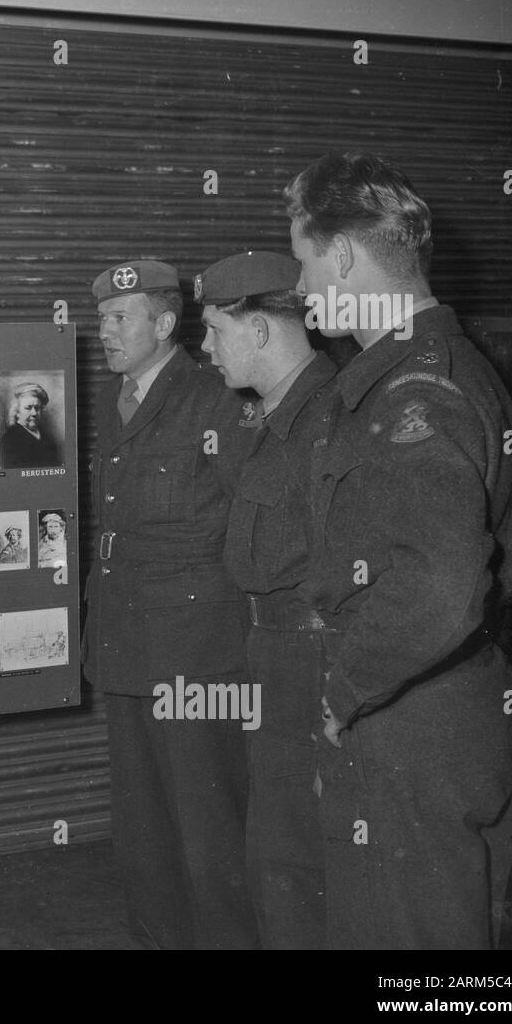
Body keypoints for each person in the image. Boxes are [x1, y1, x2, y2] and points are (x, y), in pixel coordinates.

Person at [285, 152, 512, 949]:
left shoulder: (416, 396)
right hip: (438, 707)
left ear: (345, 256)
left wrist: (345, 688)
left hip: (411, 723)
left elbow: (439, 586)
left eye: (304, 261)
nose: (298, 287)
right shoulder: (437, 372)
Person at [82, 257, 259, 950]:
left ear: (163, 322)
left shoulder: (217, 396)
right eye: (99, 318)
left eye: (118, 317)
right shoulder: (113, 398)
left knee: (209, 827)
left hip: (198, 655)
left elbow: (255, 517)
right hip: (126, 646)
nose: (104, 330)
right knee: (143, 828)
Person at [197, 249, 337, 949]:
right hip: (274, 653)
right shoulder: (271, 417)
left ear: (258, 331)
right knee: (276, 865)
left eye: (215, 328)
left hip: (316, 660)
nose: (204, 346)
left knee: (304, 867)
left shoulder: (330, 419)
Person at [0, 382, 61, 468]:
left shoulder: (48, 438)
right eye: (28, 408)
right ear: (17, 412)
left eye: (37, 408)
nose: (34, 413)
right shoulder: (9, 440)